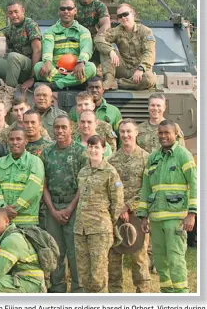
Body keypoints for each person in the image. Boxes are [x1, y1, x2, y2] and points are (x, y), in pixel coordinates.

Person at [137, 120, 197, 293]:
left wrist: (192, 214)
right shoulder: (153, 158)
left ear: (176, 134)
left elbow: (195, 185)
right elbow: (146, 188)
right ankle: (167, 295)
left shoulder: (183, 155)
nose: (163, 136)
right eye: (160, 133)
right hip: (155, 220)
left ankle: (181, 296)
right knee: (161, 261)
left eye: (167, 133)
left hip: (176, 219)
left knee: (176, 259)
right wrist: (143, 215)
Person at [40, 116, 87, 293]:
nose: (60, 131)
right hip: (53, 207)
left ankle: (78, 289)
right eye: (57, 127)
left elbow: (83, 185)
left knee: (75, 251)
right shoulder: (47, 153)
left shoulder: (81, 152)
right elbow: (43, 185)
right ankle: (57, 289)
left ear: (71, 128)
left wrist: (69, 208)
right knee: (55, 250)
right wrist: (52, 209)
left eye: (63, 127)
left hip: (74, 207)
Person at [75, 135, 124, 292]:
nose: (93, 150)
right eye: (90, 146)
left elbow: (117, 202)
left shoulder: (110, 172)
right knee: (83, 273)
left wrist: (108, 222)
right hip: (80, 229)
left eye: (97, 147)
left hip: (100, 229)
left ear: (104, 149)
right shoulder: (83, 172)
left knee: (98, 275)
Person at [107, 119, 151, 293]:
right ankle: (115, 295)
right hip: (117, 215)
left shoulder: (146, 158)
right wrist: (119, 208)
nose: (125, 135)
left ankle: (143, 294)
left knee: (139, 258)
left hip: (138, 215)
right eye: (122, 132)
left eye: (128, 131)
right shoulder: (112, 159)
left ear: (136, 133)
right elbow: (108, 188)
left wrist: (129, 206)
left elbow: (148, 188)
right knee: (114, 257)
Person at [0, 0, 42, 94]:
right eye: (10, 13)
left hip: (29, 66)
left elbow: (37, 50)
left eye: (16, 12)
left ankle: (9, 93)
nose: (14, 15)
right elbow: (8, 53)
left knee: (13, 56)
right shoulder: (9, 30)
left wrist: (32, 78)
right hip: (15, 65)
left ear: (23, 11)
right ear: (7, 14)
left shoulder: (30, 25)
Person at [0, 208, 46, 293]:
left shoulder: (12, 239)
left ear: (6, 221)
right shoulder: (0, 239)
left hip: (31, 283)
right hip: (18, 278)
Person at [33, 0, 96, 90]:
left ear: (75, 11)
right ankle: (73, 82)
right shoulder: (50, 31)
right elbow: (48, 49)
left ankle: (55, 85)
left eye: (69, 8)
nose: (66, 11)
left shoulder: (83, 31)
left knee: (91, 68)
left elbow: (86, 49)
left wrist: (81, 62)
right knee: (38, 67)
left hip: (76, 69)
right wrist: (47, 62)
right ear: (59, 12)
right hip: (56, 70)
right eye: (63, 9)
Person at [0, 127, 45, 227]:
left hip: (27, 222)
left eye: (18, 139)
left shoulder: (35, 162)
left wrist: (13, 209)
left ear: (26, 141)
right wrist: (3, 208)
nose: (15, 142)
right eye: (11, 139)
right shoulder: (0, 163)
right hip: (4, 221)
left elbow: (32, 191)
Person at [95, 4, 156, 90]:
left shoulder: (145, 31)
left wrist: (141, 68)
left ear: (132, 14)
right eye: (120, 16)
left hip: (140, 70)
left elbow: (149, 52)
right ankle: (110, 80)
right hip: (123, 68)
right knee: (105, 50)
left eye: (125, 14)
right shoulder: (117, 30)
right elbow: (98, 39)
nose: (123, 18)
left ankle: (119, 83)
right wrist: (111, 51)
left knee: (149, 79)